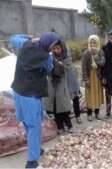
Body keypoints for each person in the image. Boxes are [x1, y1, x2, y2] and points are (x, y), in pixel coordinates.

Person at [10, 32, 60, 168]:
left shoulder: (24, 44)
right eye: (53, 45)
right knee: (34, 126)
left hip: (18, 91)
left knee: (28, 123)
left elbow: (13, 38)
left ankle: (36, 148)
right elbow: (50, 71)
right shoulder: (46, 58)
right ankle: (32, 161)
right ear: (48, 45)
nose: (53, 47)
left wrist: (29, 38)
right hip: (31, 95)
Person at [44, 40, 73, 134]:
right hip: (52, 85)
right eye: (54, 48)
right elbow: (47, 70)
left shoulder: (65, 57)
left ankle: (69, 125)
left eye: (58, 48)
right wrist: (51, 64)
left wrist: (60, 65)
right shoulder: (49, 57)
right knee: (55, 108)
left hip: (61, 85)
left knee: (64, 108)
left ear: (62, 48)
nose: (56, 50)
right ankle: (60, 126)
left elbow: (67, 67)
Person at [82, 35, 105, 121]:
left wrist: (97, 59)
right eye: (91, 42)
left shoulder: (100, 52)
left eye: (94, 42)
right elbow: (84, 67)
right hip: (90, 77)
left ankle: (97, 113)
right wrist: (86, 79)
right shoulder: (86, 53)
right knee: (89, 96)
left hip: (98, 77)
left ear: (98, 43)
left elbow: (103, 63)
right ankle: (89, 113)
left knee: (97, 95)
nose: (92, 45)